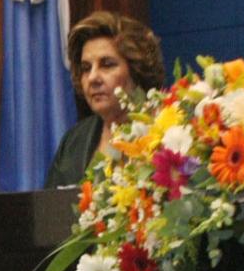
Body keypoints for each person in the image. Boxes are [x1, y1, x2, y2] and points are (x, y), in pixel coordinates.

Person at [44, 10, 165, 188]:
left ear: (137, 69)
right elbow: (50, 204)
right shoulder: (74, 142)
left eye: (107, 65)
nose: (93, 78)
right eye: (86, 68)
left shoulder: (166, 134)